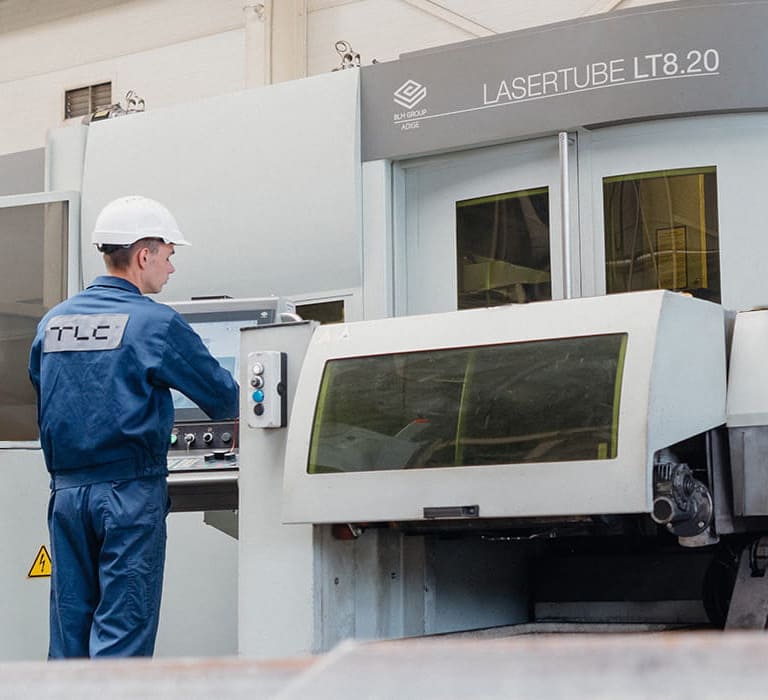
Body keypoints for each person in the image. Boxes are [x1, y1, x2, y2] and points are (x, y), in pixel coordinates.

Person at [28, 195, 239, 658]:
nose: (171, 267)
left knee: (69, 640)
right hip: (128, 497)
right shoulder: (155, 323)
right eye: (169, 255)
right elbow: (226, 398)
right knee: (121, 639)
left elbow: (45, 392)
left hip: (66, 497)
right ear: (144, 255)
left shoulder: (52, 322)